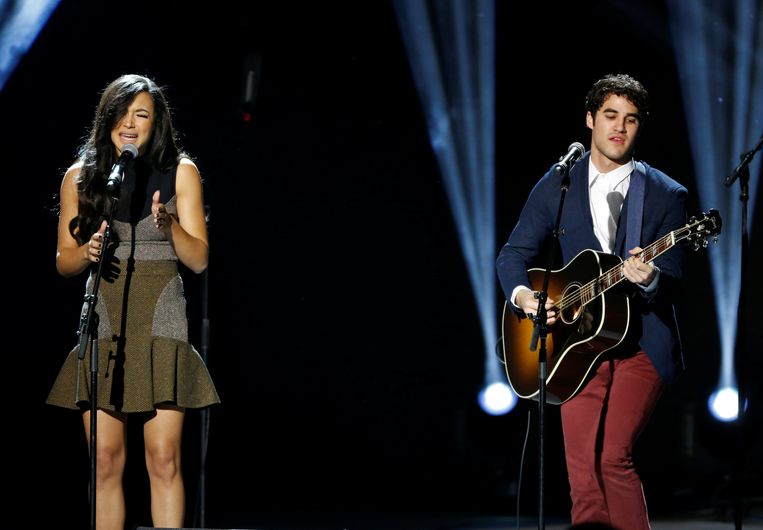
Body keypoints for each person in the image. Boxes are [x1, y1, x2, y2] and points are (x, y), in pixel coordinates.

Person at [496, 74, 688, 530]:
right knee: (582, 472)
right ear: (590, 120)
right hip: (576, 346)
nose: (619, 127)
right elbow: (514, 255)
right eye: (610, 116)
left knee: (613, 459)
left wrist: (650, 277)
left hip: (641, 344)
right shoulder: (558, 183)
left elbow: (675, 279)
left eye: (631, 119)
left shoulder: (665, 193)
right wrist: (526, 297)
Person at [46, 74, 220, 530]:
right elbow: (64, 262)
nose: (130, 124)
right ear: (106, 121)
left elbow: (199, 260)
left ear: (155, 122)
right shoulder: (80, 177)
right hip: (105, 321)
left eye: (141, 115)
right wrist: (87, 253)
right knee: (104, 461)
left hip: (163, 321)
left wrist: (169, 227)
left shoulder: (180, 171)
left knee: (163, 459)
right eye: (122, 115)